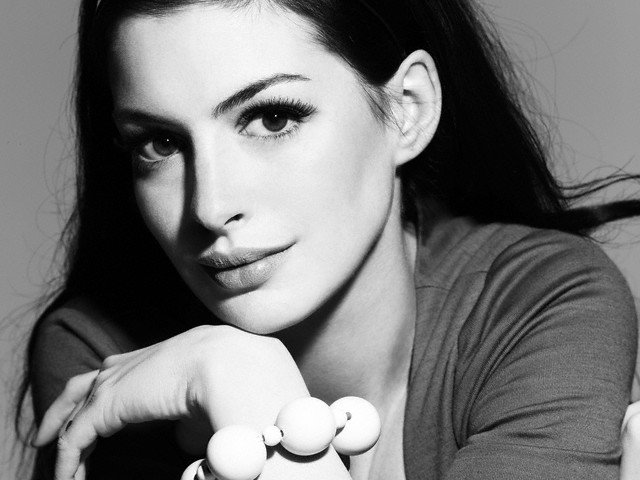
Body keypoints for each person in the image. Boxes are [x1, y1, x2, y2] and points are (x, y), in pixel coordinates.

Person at [14, 0, 640, 479]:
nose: (210, 207)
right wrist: (237, 379)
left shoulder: (539, 302)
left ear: (407, 109)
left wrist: (247, 389)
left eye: (272, 118)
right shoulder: (104, 355)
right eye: (160, 143)